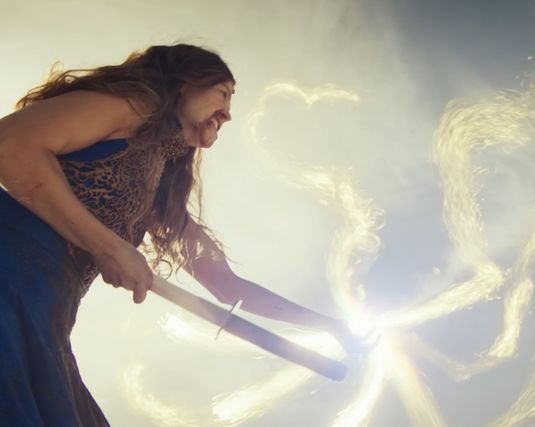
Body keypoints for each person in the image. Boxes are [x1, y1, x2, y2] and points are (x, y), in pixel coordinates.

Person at [0, 44, 364, 426]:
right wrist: (107, 246)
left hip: (47, 316)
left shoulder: (157, 192)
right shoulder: (130, 106)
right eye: (223, 93)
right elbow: (11, 145)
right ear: (185, 84)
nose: (228, 112)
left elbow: (228, 287)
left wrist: (330, 325)